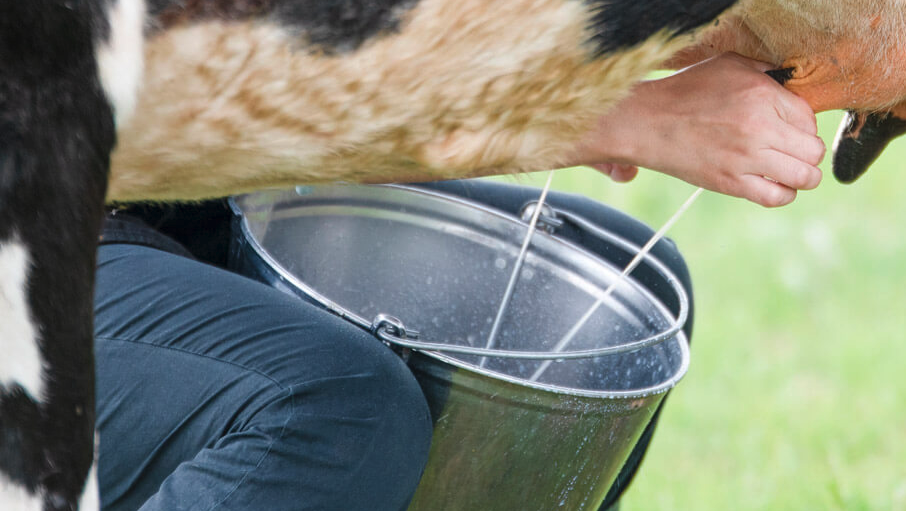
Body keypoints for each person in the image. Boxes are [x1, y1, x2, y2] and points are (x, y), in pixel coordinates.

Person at [94, 53, 825, 511]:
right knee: (342, 408)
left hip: (185, 198)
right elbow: (201, 98)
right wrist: (617, 114)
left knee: (626, 284)